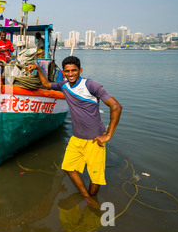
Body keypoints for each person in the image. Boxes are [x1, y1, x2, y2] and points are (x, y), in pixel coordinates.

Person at [27, 56, 122, 207]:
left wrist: (108, 134)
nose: (70, 74)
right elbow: (45, 84)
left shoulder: (91, 85)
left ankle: (92, 198)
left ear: (80, 70)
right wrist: (38, 69)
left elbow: (116, 106)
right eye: (67, 71)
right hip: (76, 138)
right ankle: (87, 198)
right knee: (68, 167)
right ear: (63, 72)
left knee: (96, 178)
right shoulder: (63, 85)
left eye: (74, 70)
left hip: (94, 140)